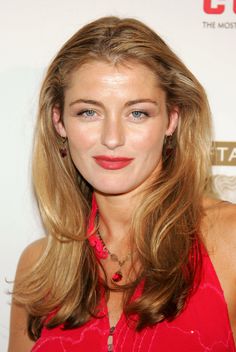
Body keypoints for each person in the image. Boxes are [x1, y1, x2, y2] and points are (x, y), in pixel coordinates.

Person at [8, 16, 236, 352]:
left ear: (172, 119)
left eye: (137, 113)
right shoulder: (40, 265)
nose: (112, 139)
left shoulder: (228, 239)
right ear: (59, 121)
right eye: (89, 112)